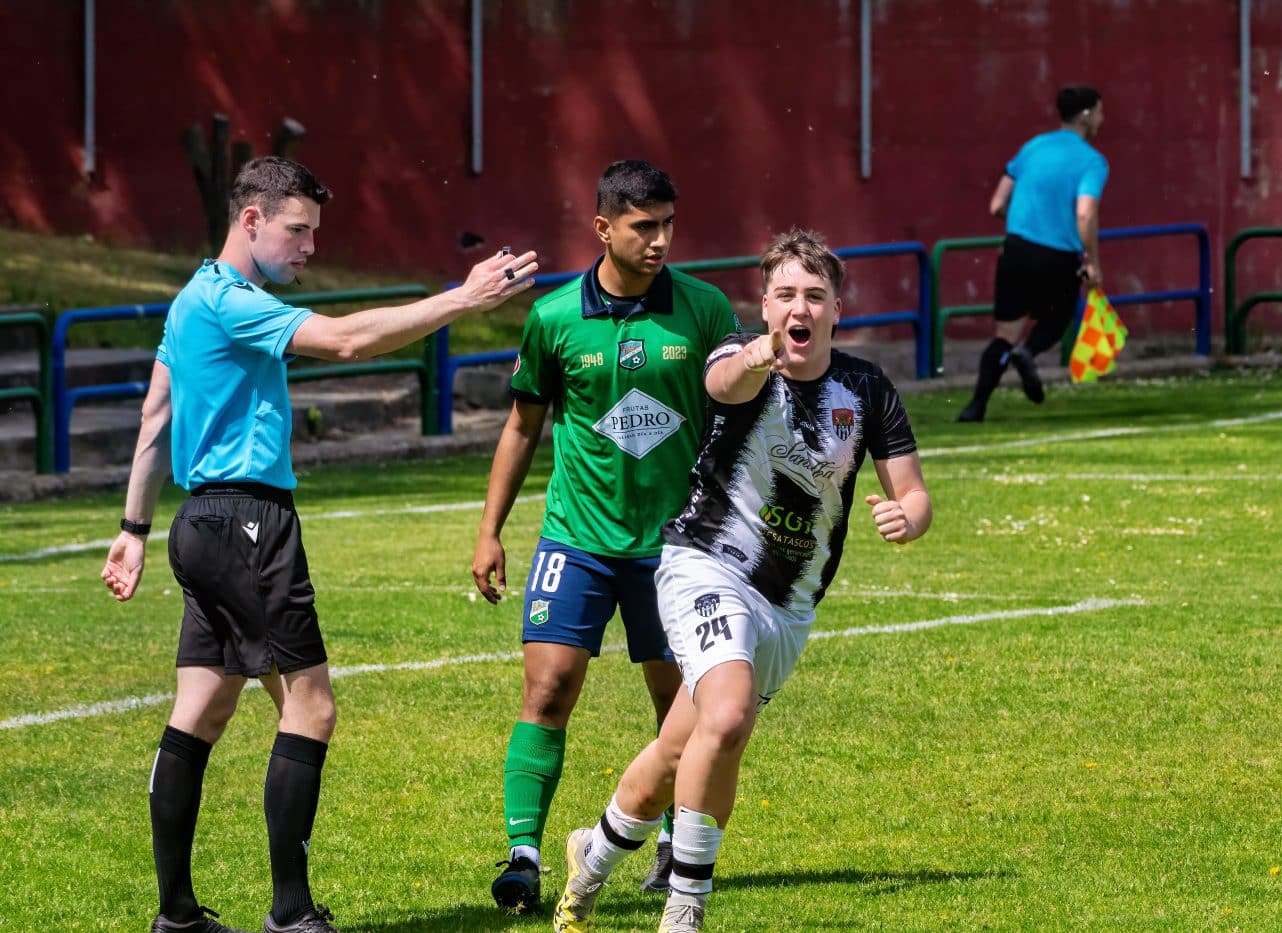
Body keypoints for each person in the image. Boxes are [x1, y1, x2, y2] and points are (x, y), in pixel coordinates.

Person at [101, 156, 538, 933]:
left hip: (199, 523)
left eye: (313, 232)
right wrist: (462, 298)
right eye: (297, 231)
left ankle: (176, 916)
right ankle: (291, 912)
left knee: (200, 707)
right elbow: (342, 341)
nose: (308, 247)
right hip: (248, 524)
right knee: (312, 708)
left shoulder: (189, 299)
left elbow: (154, 414)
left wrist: (134, 530)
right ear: (251, 221)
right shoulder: (234, 302)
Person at [551, 229, 932, 933]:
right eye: (786, 293)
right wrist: (760, 352)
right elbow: (723, 381)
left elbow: (913, 491)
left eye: (815, 296)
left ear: (837, 309)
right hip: (705, 562)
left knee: (679, 747)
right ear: (764, 304)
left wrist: (908, 516)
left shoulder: (866, 388)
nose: (800, 307)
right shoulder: (740, 355)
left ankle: (591, 857)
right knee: (727, 714)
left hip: (788, 603)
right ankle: (685, 908)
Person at [471, 160, 739, 913]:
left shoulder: (706, 310)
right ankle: (524, 854)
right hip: (576, 538)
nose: (659, 241)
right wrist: (490, 531)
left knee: (676, 706)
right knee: (548, 688)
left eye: (667, 226)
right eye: (642, 227)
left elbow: (743, 412)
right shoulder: (555, 318)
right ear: (603, 228)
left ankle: (670, 843)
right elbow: (523, 426)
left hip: (678, 549)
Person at [958, 84, 1109, 422]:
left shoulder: (1033, 148)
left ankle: (976, 406)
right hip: (1058, 256)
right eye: (1099, 111)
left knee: (1004, 335)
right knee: (1059, 317)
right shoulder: (1092, 161)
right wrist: (1093, 263)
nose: (1102, 118)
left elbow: (997, 203)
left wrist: (1029, 223)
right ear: (1086, 115)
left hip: (1016, 249)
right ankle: (1029, 352)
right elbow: (1085, 214)